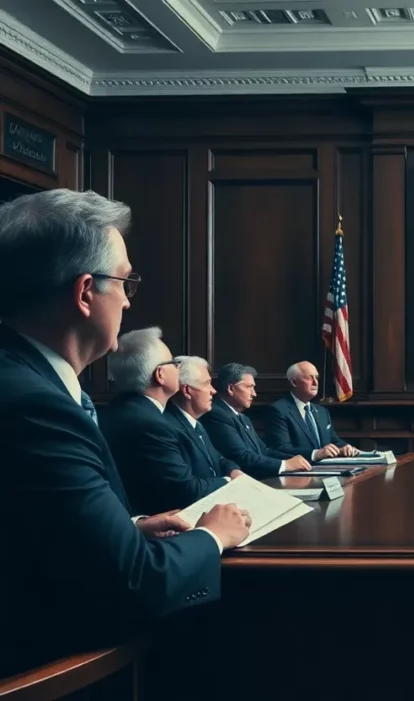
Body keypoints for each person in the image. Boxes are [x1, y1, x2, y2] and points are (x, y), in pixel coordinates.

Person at [0, 189, 250, 676]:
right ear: (85, 292)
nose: (128, 302)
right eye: (124, 281)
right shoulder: (35, 405)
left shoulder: (27, 378)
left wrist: (128, 527)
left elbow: (30, 530)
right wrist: (212, 536)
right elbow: (134, 584)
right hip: (60, 671)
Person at [102, 327, 232, 514]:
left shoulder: (117, 410)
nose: (178, 368)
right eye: (173, 363)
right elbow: (186, 491)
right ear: (160, 374)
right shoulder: (151, 424)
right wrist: (229, 481)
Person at [201, 362, 311, 478]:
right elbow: (242, 457)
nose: (254, 394)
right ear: (231, 388)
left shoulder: (243, 418)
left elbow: (264, 451)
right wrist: (284, 465)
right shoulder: (216, 414)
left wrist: (293, 460)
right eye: (249, 387)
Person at [264, 360, 359, 460]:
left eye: (316, 377)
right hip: (299, 468)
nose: (315, 382)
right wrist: (315, 454)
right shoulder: (278, 410)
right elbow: (281, 449)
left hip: (327, 467)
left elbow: (334, 441)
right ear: (294, 382)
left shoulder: (322, 411)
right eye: (309, 378)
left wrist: (345, 447)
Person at [165, 356, 241, 479]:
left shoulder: (197, 424)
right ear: (187, 391)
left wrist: (233, 470)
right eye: (207, 383)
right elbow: (187, 485)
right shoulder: (169, 428)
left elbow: (217, 458)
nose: (213, 390)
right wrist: (228, 480)